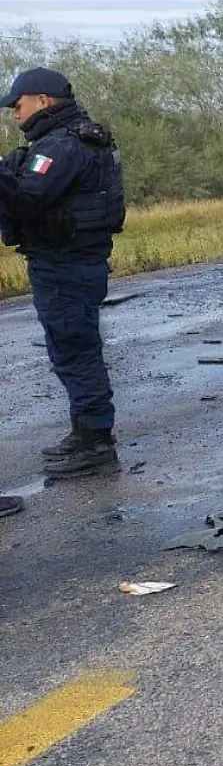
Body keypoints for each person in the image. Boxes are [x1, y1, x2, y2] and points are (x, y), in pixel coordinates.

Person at [0, 68, 126, 479]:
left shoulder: (61, 146)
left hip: (65, 264)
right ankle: (84, 432)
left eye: (18, 106)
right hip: (71, 260)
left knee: (74, 349)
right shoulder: (73, 139)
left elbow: (27, 202)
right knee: (70, 347)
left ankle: (96, 442)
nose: (14, 115)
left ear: (42, 100)